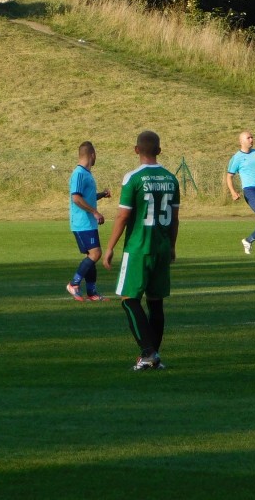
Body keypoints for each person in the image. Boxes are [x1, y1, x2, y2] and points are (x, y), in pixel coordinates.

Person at [103, 131, 180, 371]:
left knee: (129, 300)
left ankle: (147, 353)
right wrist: (172, 246)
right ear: (159, 150)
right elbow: (175, 218)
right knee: (155, 303)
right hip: (162, 246)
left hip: (138, 247)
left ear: (136, 150)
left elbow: (123, 215)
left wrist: (109, 247)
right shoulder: (171, 178)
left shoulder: (133, 178)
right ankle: (154, 357)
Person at [66, 141, 111, 301]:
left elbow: (86, 197)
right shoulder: (79, 174)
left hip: (87, 223)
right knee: (96, 253)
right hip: (81, 222)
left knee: (92, 255)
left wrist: (101, 195)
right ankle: (74, 283)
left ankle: (92, 293)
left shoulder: (86, 173)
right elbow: (76, 198)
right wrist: (95, 212)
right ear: (92, 155)